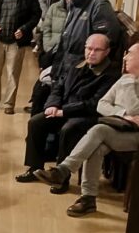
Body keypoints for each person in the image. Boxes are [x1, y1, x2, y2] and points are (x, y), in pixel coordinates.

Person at [36, 42, 139, 216]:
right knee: (97, 146)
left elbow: (135, 110)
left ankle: (64, 171)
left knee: (98, 130)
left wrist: (130, 83)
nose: (125, 57)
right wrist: (123, 114)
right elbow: (102, 104)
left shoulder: (127, 81)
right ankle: (87, 198)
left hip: (134, 135)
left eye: (129, 54)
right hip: (117, 128)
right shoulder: (124, 79)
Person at [16, 34, 119, 186]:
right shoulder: (77, 64)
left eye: (97, 50)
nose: (91, 53)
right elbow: (58, 86)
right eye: (89, 48)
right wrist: (52, 105)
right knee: (36, 122)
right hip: (63, 110)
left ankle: (61, 177)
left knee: (68, 129)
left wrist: (63, 111)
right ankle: (35, 168)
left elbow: (93, 104)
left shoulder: (111, 74)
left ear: (107, 51)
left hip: (87, 116)